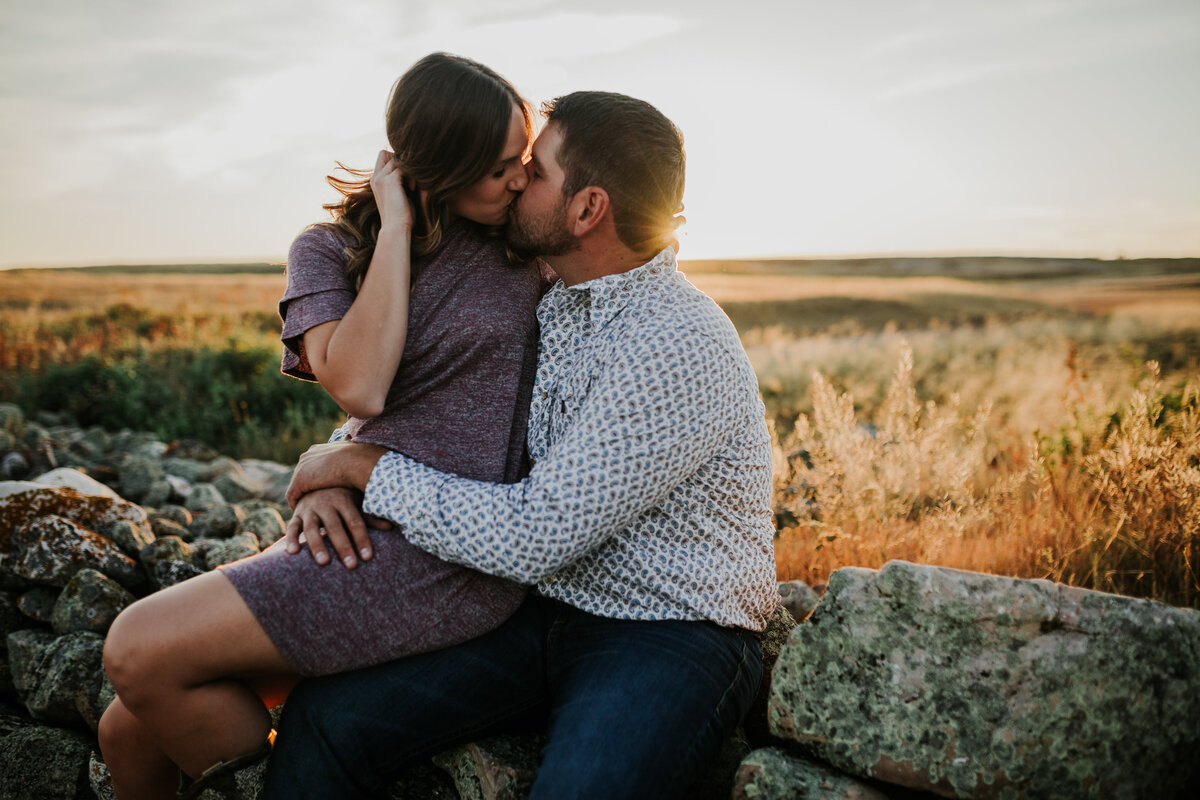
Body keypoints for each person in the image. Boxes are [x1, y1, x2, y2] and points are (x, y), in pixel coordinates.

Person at [266, 90, 780, 800]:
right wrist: (333, 466)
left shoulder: (675, 339)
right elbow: (438, 396)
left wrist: (363, 467)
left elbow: (537, 533)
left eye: (536, 171)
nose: (515, 181)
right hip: (537, 611)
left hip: (672, 630)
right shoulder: (547, 294)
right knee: (324, 721)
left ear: (587, 209)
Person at [97, 53, 547, 800]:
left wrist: (333, 462)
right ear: (440, 164)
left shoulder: (522, 249)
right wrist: (398, 226)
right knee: (124, 729)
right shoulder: (327, 251)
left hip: (447, 552)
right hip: (355, 533)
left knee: (138, 651)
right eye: (501, 166)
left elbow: (369, 406)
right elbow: (362, 385)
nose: (521, 180)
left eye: (524, 159)